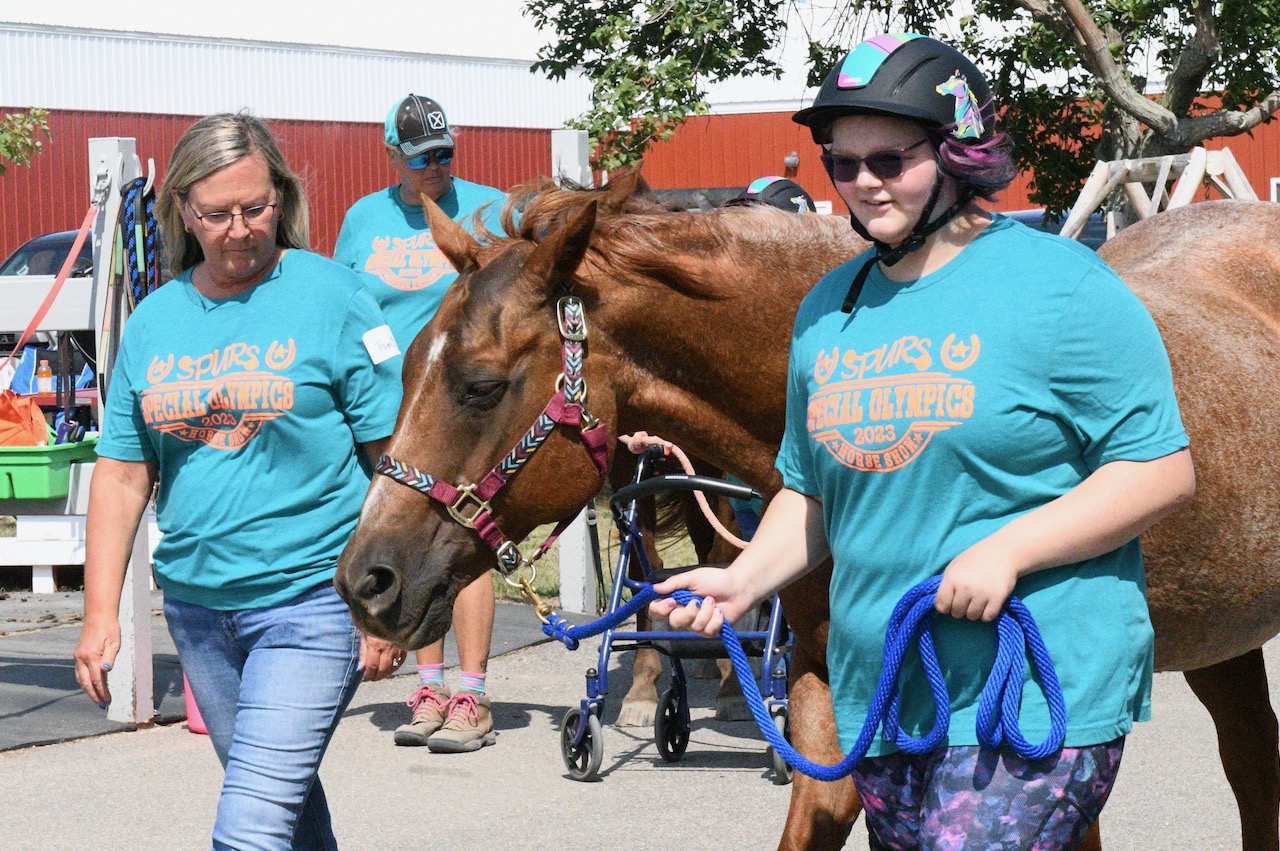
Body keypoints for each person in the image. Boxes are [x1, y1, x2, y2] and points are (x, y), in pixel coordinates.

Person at [651, 32, 1195, 849]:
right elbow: (813, 489)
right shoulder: (830, 310)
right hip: (888, 693)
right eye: (843, 164)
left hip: (1028, 687)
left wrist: (1007, 550)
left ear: (955, 153)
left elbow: (1158, 468)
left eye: (889, 160)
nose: (864, 182)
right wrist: (740, 582)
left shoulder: (1062, 286)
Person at [73, 112, 406, 850]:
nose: (239, 230)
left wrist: (383, 603)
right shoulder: (154, 321)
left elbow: (393, 464)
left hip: (314, 602)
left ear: (280, 196)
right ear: (183, 210)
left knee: (250, 824)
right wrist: (100, 614)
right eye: (217, 213)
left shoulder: (335, 297)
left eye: (256, 208)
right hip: (199, 612)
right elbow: (124, 474)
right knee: (283, 804)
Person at [334, 93, 506, 753]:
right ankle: (428, 688)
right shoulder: (363, 219)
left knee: (467, 533)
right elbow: (347, 303)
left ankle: (473, 693)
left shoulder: (490, 210)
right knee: (410, 538)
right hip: (391, 405)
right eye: (419, 159)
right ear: (391, 155)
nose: (434, 168)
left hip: (463, 409)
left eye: (443, 155)